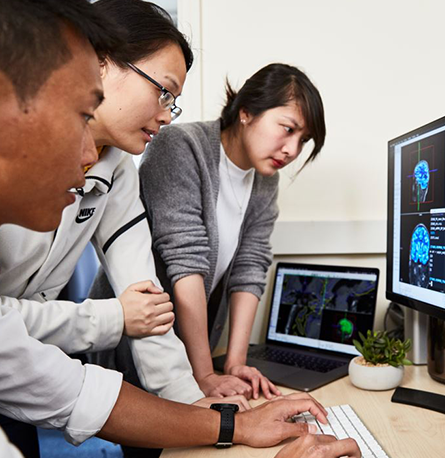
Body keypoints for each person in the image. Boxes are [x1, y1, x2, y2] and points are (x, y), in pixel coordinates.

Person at [0, 1, 360, 457]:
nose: (88, 164)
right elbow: (175, 273)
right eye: (82, 115)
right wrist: (114, 319)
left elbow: (56, 377)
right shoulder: (180, 149)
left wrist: (217, 417)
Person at [93, 63, 326, 401]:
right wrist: (202, 373)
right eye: (288, 129)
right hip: (138, 339)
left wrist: (235, 364)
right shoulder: (179, 145)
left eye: (303, 140)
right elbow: (186, 262)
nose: (292, 150)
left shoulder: (265, 180)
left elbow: (250, 268)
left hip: (191, 349)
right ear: (246, 112)